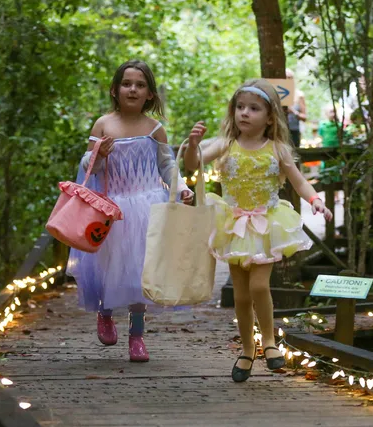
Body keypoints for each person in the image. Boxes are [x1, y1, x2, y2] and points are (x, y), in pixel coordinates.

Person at [183, 79, 333, 382]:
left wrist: (316, 200)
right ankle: (247, 349)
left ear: (269, 117)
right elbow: (192, 166)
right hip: (233, 224)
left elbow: (298, 181)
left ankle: (269, 342)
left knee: (259, 287)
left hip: (266, 225)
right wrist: (194, 145)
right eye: (240, 107)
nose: (244, 113)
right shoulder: (226, 144)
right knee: (239, 294)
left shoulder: (276, 148)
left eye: (253, 108)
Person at [66, 60, 194, 362]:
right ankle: (105, 312)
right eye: (126, 84)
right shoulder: (103, 124)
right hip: (112, 209)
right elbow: (88, 168)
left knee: (141, 274)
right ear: (115, 89)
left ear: (150, 93)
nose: (132, 89)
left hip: (148, 207)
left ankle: (137, 336)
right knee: (110, 267)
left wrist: (181, 188)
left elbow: (167, 165)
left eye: (140, 85)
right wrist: (98, 153)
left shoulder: (155, 129)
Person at [285, 69, 307, 148]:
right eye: (285, 77)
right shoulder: (276, 93)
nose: (287, 80)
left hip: (294, 132)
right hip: (278, 131)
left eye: (290, 77)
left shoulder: (299, 95)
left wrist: (293, 112)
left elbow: (304, 117)